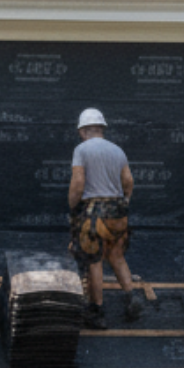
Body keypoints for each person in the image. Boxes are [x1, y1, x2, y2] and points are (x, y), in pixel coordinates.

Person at [67, 108, 141, 330]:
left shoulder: (81, 150)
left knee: (94, 261)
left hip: (94, 213)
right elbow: (128, 181)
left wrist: (73, 206)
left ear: (82, 131)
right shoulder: (118, 150)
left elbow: (78, 183)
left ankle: (96, 311)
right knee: (116, 256)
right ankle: (132, 297)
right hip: (118, 211)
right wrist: (125, 201)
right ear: (101, 129)